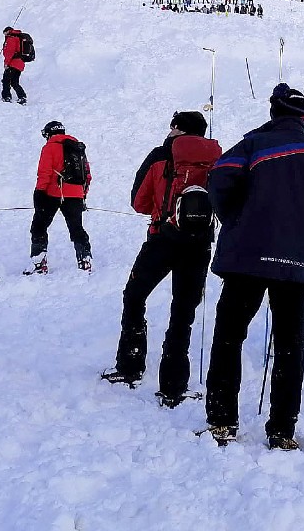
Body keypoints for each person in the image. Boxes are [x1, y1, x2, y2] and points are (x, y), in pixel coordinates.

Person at [203, 84, 304, 450]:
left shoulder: (253, 145)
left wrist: (236, 219)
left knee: (229, 337)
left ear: (273, 111)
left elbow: (218, 180)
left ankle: (222, 421)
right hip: (297, 261)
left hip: (246, 257)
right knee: (290, 346)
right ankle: (282, 429)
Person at [101, 112, 223, 406]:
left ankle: (130, 365)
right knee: (183, 311)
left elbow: (139, 202)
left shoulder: (160, 155)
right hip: (199, 245)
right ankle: (173, 386)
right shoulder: (216, 158)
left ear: (177, 129)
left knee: (134, 296)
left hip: (162, 238)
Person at [25, 121, 93, 276]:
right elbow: (87, 175)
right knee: (76, 228)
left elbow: (44, 173)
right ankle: (85, 260)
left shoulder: (49, 147)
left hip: (53, 193)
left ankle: (39, 263)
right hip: (76, 194)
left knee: (39, 226)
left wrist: (39, 192)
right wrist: (83, 194)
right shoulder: (78, 148)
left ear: (48, 134)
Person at [0, 26, 29, 104]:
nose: (4, 35)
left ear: (7, 31)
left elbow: (9, 52)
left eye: (4, 33)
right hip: (20, 63)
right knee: (14, 82)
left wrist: (6, 64)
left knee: (6, 80)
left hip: (12, 63)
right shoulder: (19, 37)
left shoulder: (11, 38)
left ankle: (6, 97)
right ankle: (22, 97)